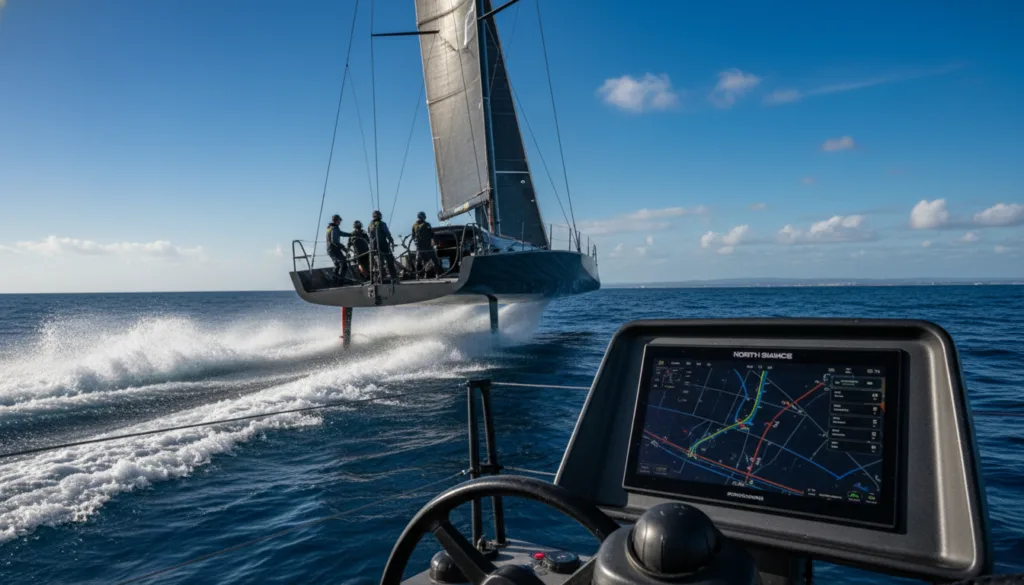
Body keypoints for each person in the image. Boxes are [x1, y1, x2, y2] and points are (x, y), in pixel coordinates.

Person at [368, 210, 398, 282]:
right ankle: (394, 277)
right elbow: (387, 233)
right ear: (380, 216)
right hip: (383, 245)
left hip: (374, 247)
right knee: (390, 261)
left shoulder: (370, 225)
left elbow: (370, 235)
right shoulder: (382, 224)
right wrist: (392, 241)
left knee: (379, 263)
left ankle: (381, 277)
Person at [411, 211, 440, 278]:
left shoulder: (427, 225)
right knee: (419, 261)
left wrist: (434, 241)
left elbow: (432, 234)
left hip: (427, 246)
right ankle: (418, 275)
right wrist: (415, 240)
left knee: (434, 260)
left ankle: (437, 274)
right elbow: (413, 236)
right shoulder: (414, 226)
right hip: (420, 247)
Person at [325, 214, 351, 280]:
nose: (340, 222)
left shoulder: (330, 227)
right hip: (334, 249)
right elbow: (334, 241)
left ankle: (335, 280)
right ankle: (340, 280)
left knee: (337, 264)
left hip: (330, 249)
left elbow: (340, 233)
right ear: (337, 220)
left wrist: (350, 234)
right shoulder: (334, 228)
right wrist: (343, 248)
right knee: (343, 264)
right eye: (340, 220)